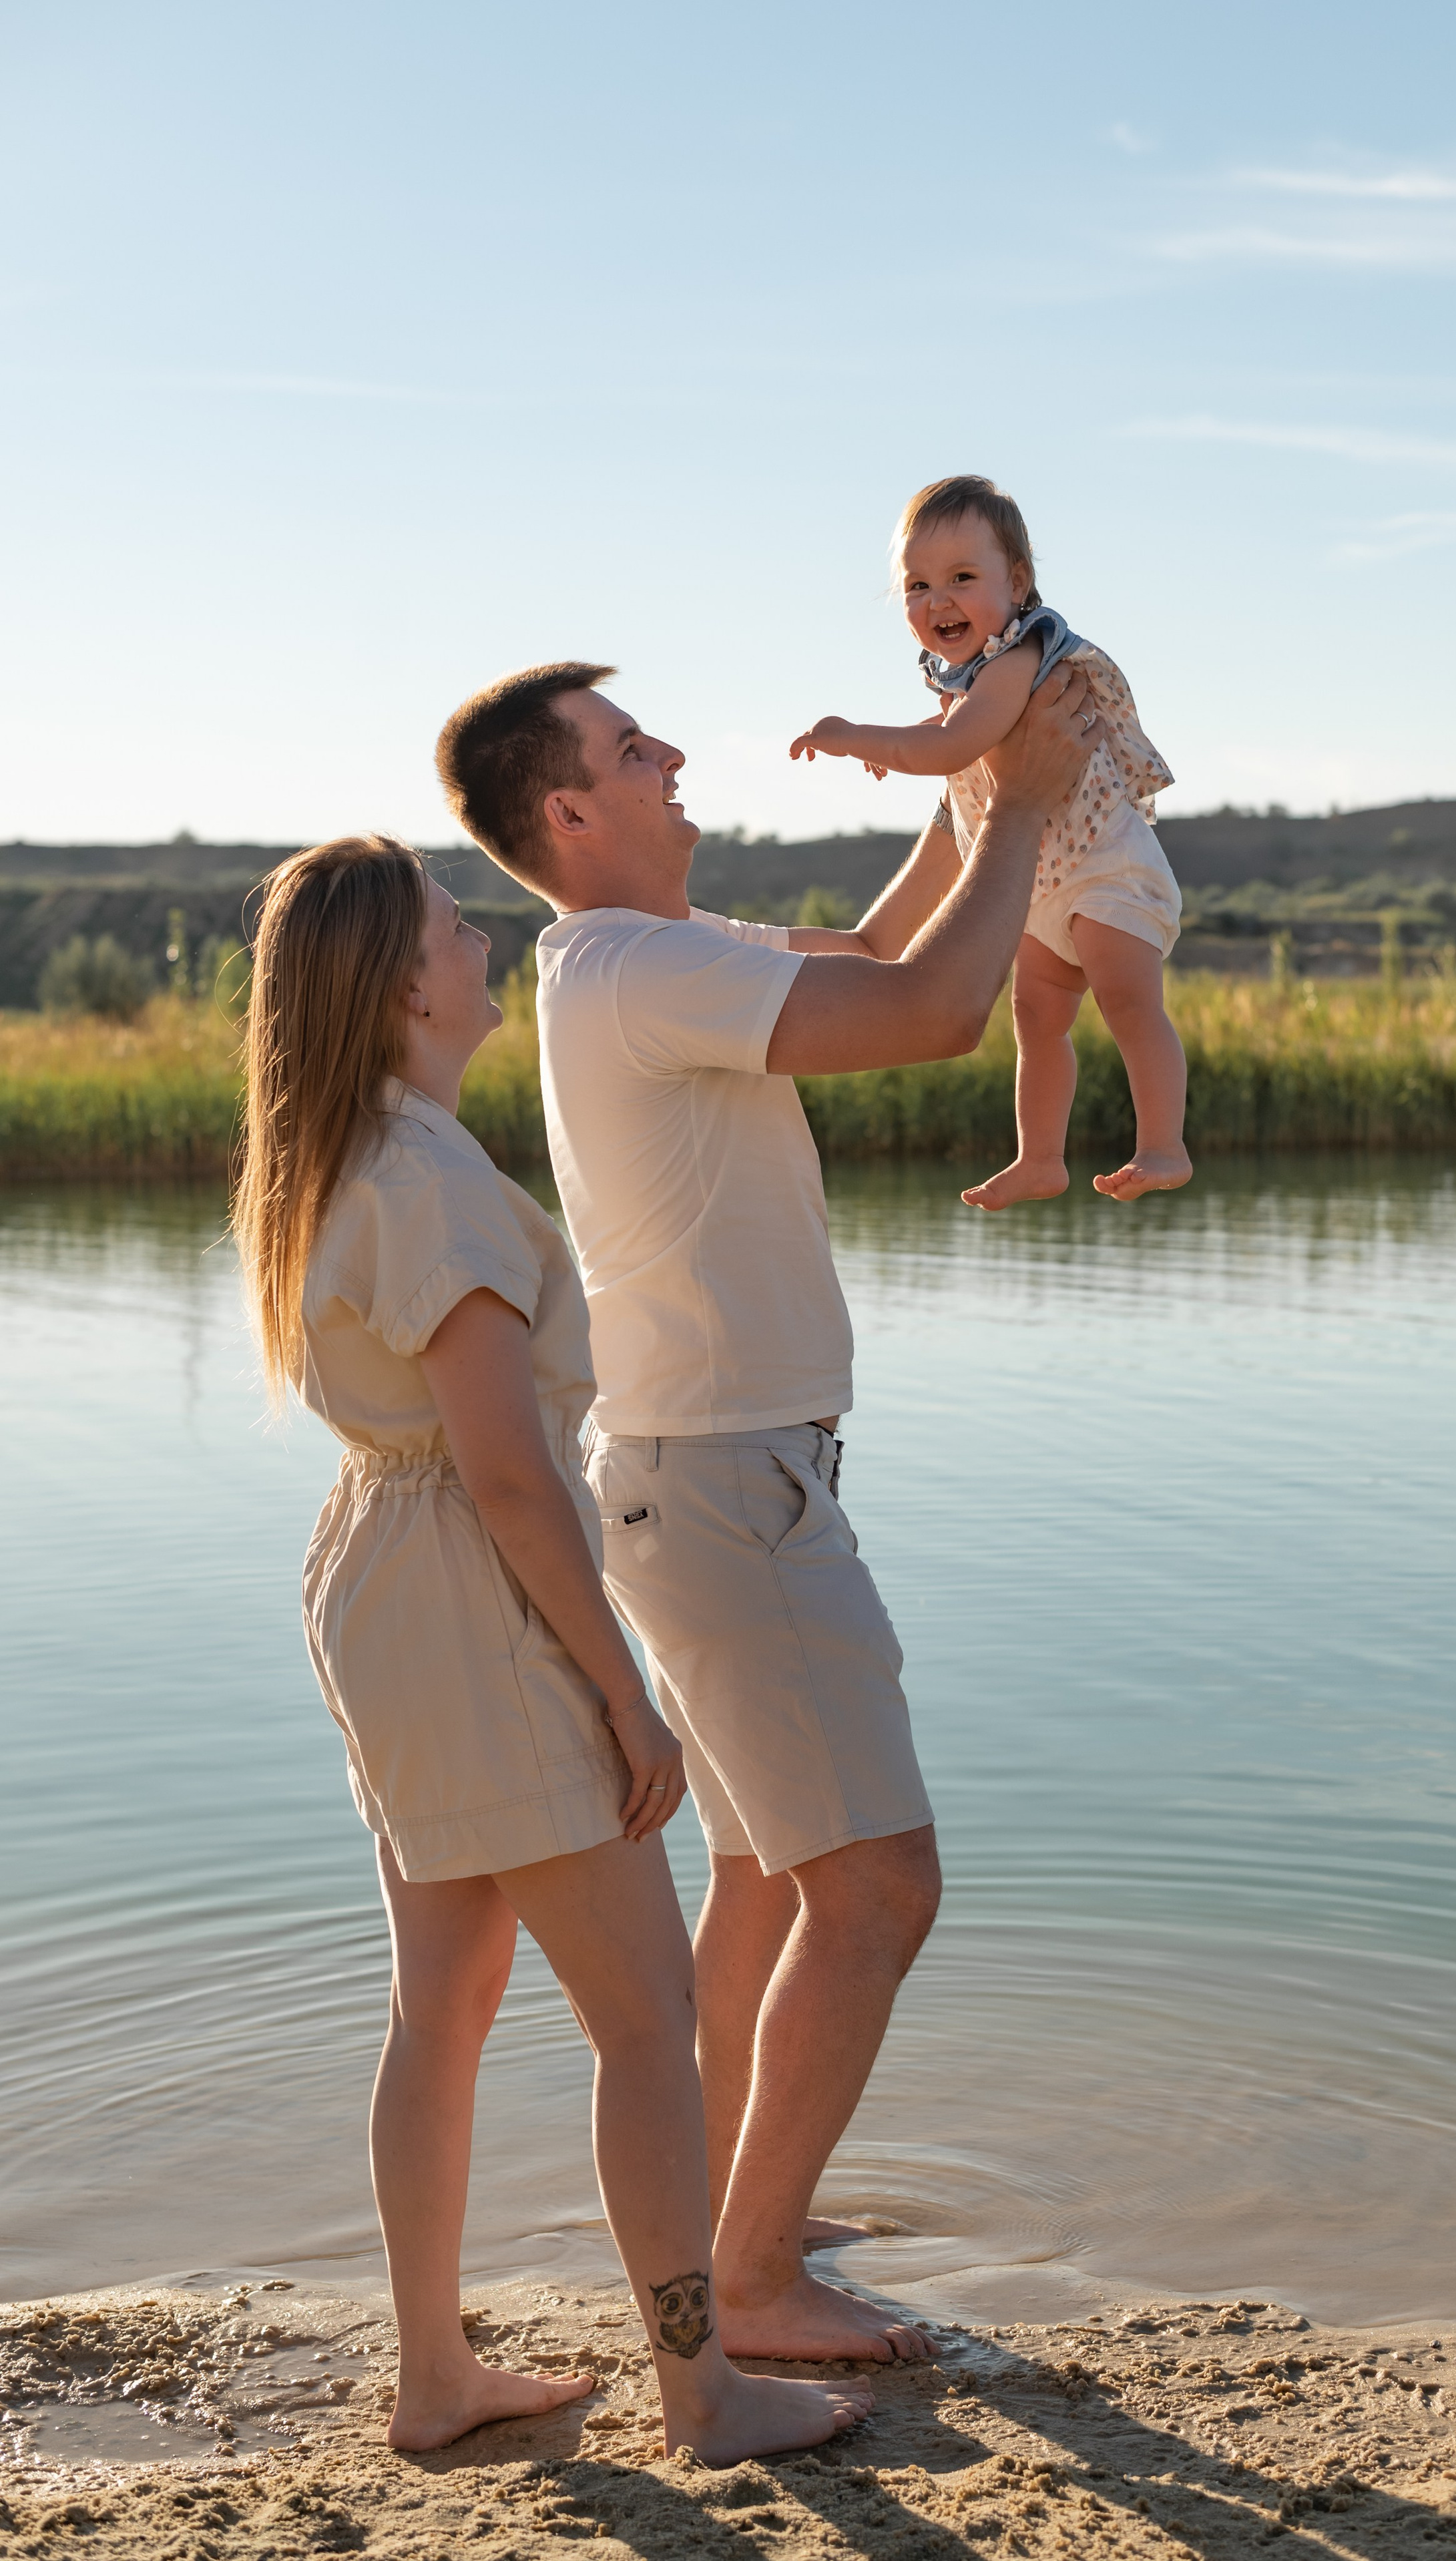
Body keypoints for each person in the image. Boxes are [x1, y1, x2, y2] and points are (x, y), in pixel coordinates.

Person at [433, 656, 1102, 2363]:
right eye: (632, 747)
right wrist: (1024, 795)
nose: (671, 758)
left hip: (699, 1479)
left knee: (761, 1879)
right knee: (875, 1888)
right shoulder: (644, 965)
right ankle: (747, 2276)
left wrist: (970, 790)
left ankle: (738, 2216)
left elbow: (885, 958)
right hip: (729, 1489)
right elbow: (936, 1013)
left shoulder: (636, 962)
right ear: (569, 810)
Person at [231, 833, 867, 2459]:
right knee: (648, 2012)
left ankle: (436, 2375)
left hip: (376, 1568)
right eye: (456, 922)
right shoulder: (430, 1180)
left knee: (438, 1996)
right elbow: (512, 1478)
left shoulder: (358, 1151)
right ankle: (701, 2386)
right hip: (463, 1585)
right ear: (401, 982)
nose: (482, 935)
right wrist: (620, 1687)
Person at [790, 472, 1192, 1213]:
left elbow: (960, 742)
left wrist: (855, 737)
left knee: (1127, 1000)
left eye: (961, 578)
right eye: (916, 585)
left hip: (1108, 872)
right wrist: (906, 741)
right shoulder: (970, 675)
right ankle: (1039, 1158)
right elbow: (953, 734)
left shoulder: (1018, 657)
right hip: (1043, 888)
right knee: (1036, 1018)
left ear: (1018, 582)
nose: (936, 600)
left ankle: (1163, 1142)